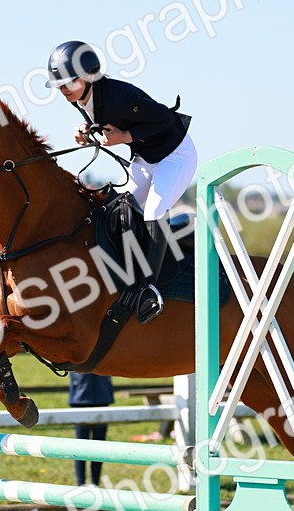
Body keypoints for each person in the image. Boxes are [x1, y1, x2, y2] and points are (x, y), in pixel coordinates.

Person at [46, 40, 197, 324]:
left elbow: (165, 119)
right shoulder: (82, 96)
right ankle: (122, 268)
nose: (63, 90)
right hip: (146, 157)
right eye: (59, 85)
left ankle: (150, 290)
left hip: (175, 156)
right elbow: (102, 121)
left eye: (68, 83)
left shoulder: (118, 95)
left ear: (89, 76)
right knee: (114, 207)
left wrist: (124, 137)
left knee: (153, 211)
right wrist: (85, 129)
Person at [68, 372, 115, 487]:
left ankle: (95, 483)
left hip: (100, 397)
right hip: (82, 398)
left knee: (99, 445)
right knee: (80, 445)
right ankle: (81, 483)